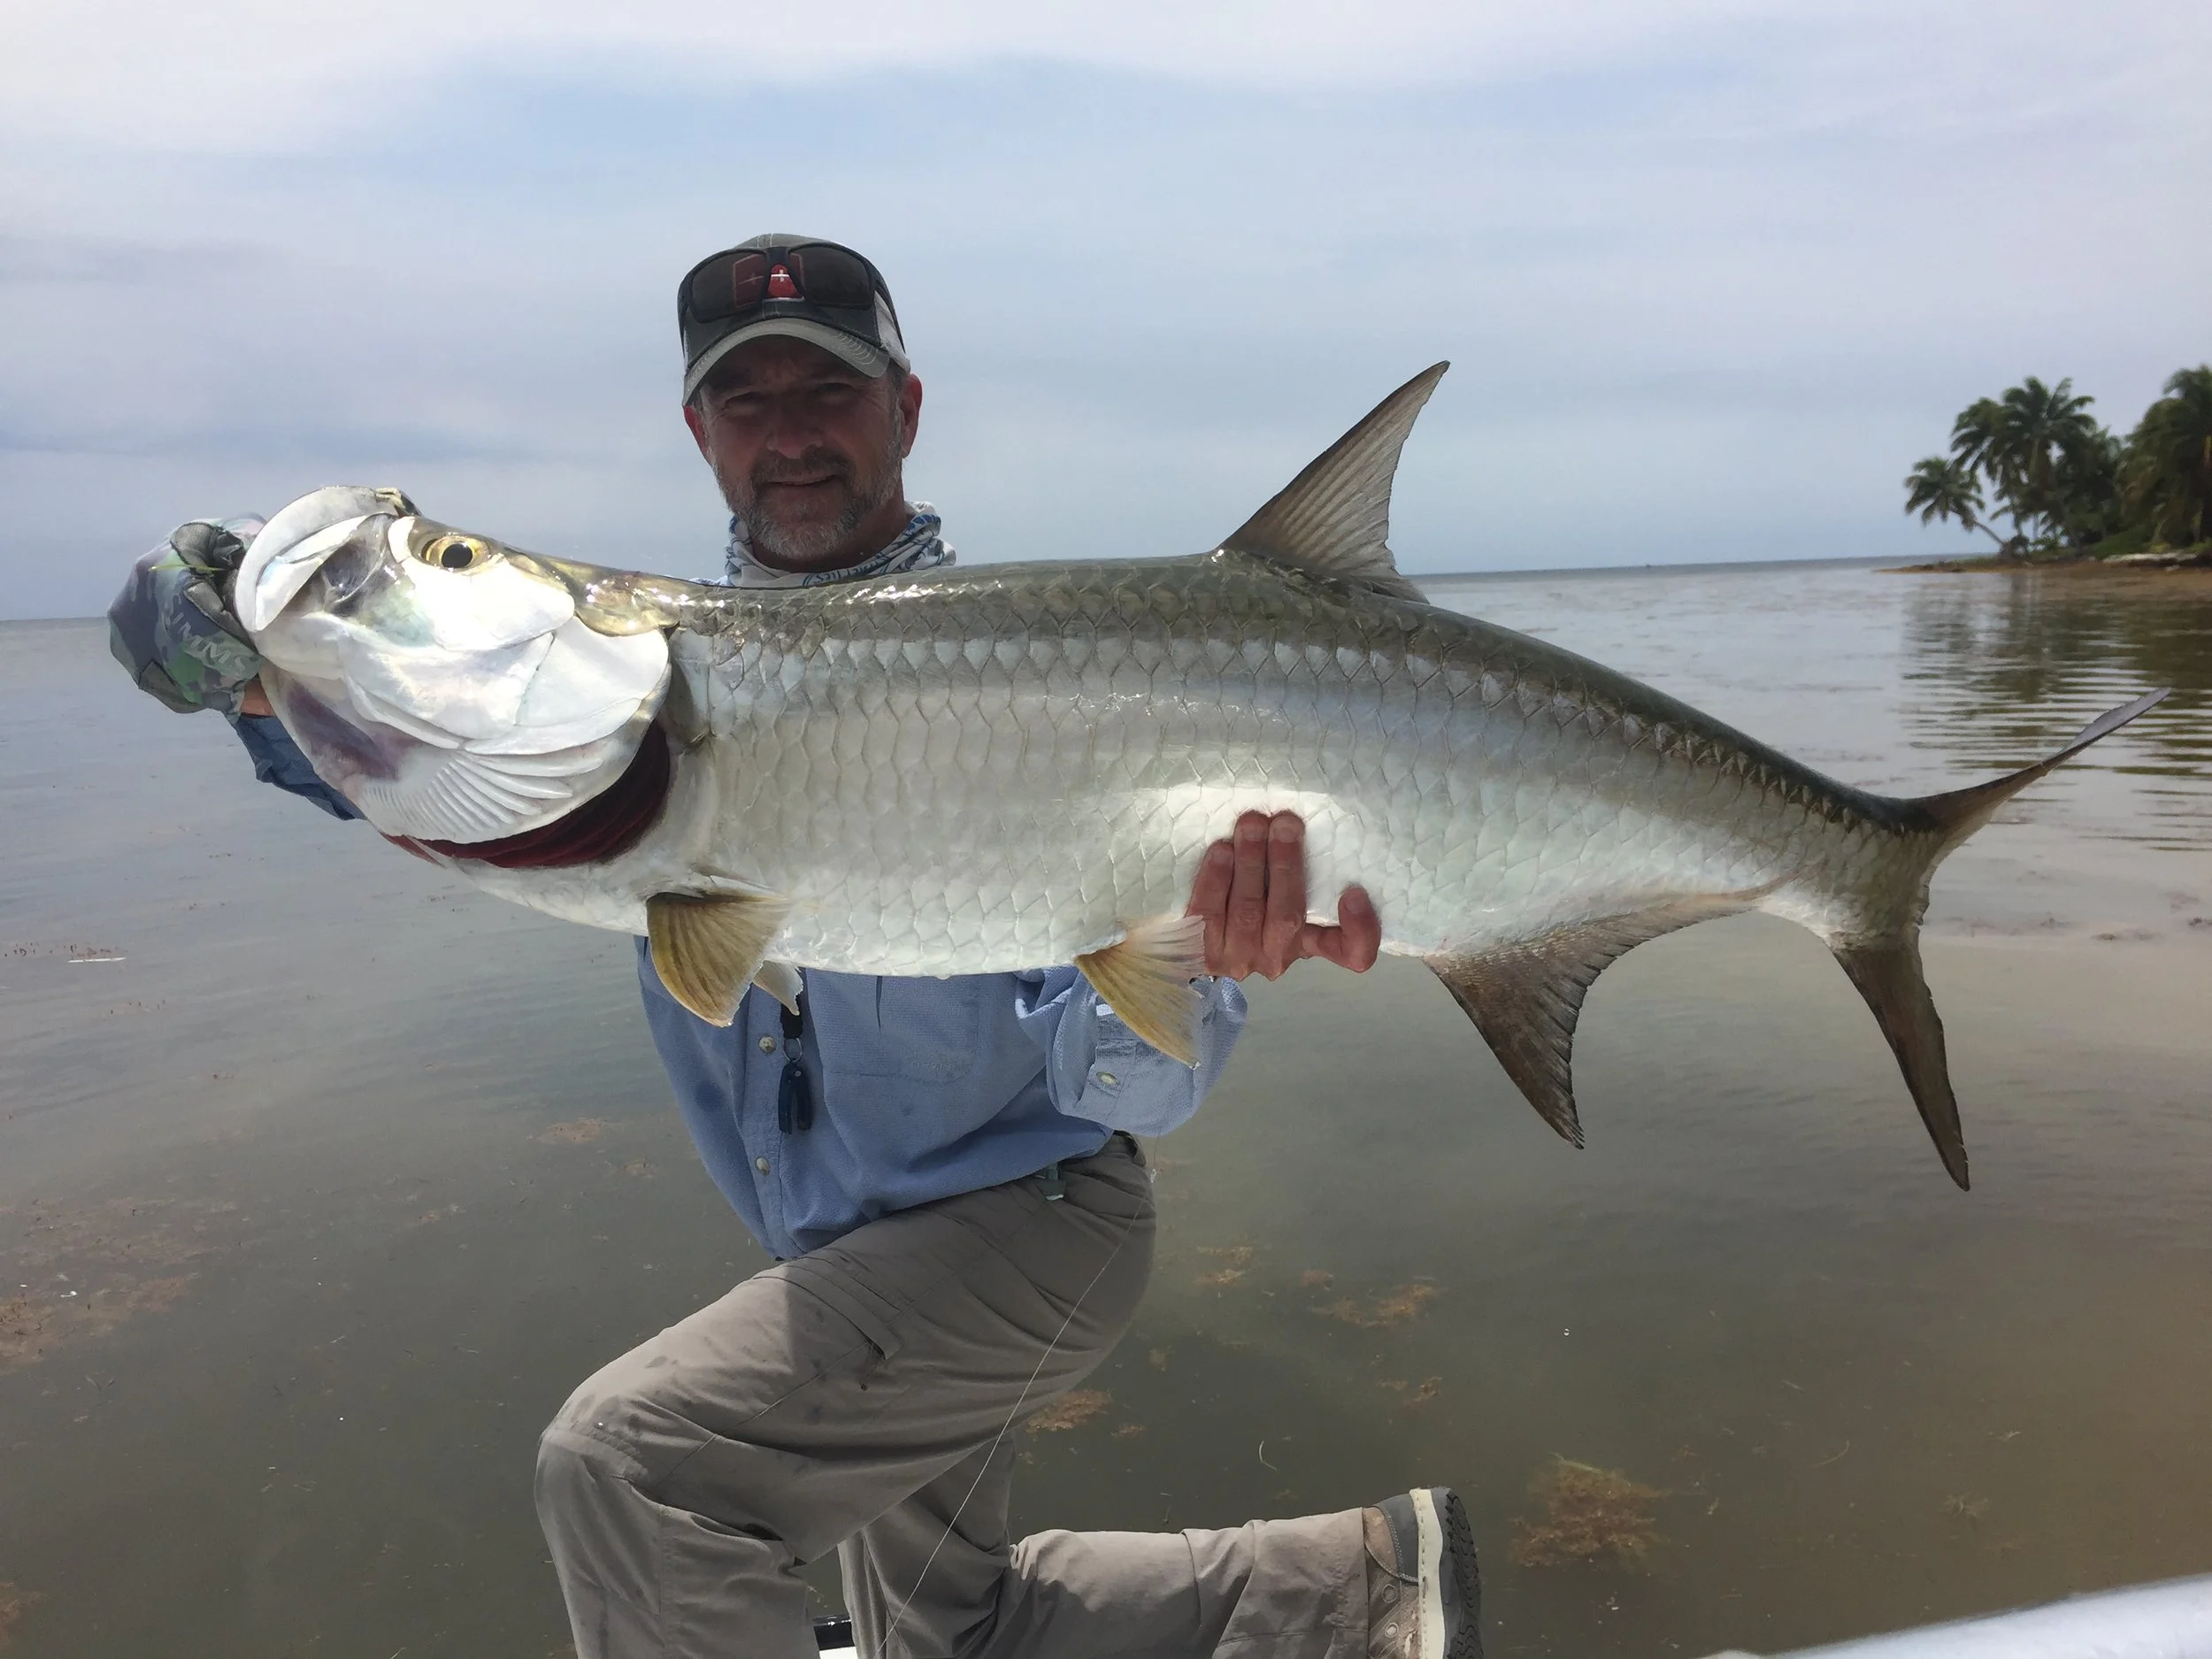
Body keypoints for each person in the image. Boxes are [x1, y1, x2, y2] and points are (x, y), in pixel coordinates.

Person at [109, 234, 1482, 1659]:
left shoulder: (1027, 681)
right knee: (946, 1629)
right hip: (839, 1244)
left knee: (631, 1466)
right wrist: (238, 669)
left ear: (906, 407)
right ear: (699, 433)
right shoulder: (629, 681)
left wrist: (1192, 955)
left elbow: (1136, 1085)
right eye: (748, 402)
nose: (791, 435)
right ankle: (1362, 1587)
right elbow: (445, 746)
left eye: (826, 392)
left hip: (1024, 1235)